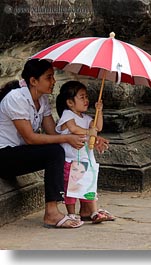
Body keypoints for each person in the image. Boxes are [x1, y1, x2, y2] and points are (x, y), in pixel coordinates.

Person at [0, 59, 109, 229]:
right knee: (56, 151)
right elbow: (30, 138)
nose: (54, 81)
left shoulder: (41, 100)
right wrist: (67, 138)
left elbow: (54, 133)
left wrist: (91, 137)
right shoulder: (16, 98)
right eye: (49, 77)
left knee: (62, 150)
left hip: (21, 152)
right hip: (5, 156)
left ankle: (86, 205)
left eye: (53, 77)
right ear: (34, 81)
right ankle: (51, 212)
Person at [55, 80, 115, 223]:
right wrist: (89, 132)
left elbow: (98, 127)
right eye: (81, 97)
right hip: (72, 159)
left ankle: (93, 211)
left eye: (86, 97)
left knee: (89, 184)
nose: (86, 100)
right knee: (72, 188)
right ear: (70, 102)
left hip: (86, 158)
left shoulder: (86, 118)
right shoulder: (68, 115)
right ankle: (71, 213)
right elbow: (74, 129)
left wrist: (99, 111)